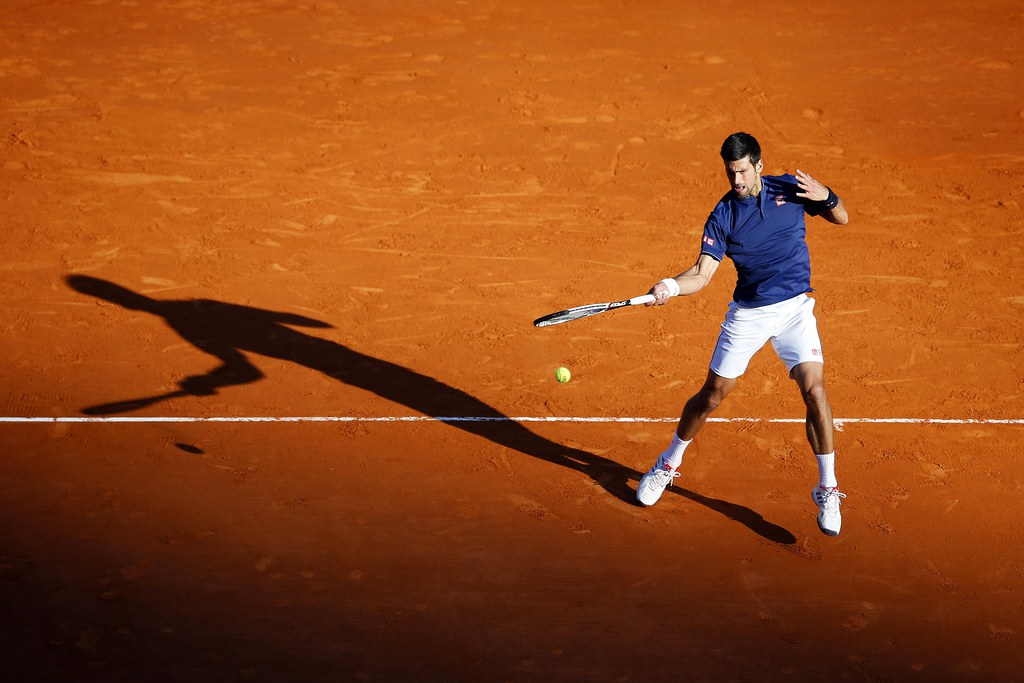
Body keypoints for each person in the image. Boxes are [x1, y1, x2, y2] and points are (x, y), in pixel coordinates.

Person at [636, 132, 849, 537]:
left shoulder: (792, 188)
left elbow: (842, 218)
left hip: (795, 309)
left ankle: (828, 487)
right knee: (712, 395)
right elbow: (702, 274)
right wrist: (669, 286)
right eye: (730, 172)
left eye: (742, 171)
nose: (735, 181)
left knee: (814, 389)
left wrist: (827, 196)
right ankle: (668, 463)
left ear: (759, 166)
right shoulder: (723, 215)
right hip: (749, 314)